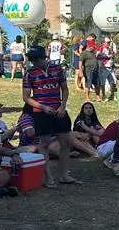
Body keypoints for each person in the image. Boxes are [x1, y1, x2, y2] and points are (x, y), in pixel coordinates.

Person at [22, 46, 80, 188]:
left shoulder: (57, 69)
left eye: (35, 59)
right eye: (31, 59)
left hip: (59, 110)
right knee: (44, 144)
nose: (33, 62)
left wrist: (63, 106)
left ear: (42, 57)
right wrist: (42, 107)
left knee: (65, 143)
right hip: (41, 112)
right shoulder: (29, 73)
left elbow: (65, 89)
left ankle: (64, 175)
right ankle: (48, 177)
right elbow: (26, 97)